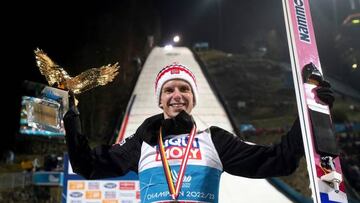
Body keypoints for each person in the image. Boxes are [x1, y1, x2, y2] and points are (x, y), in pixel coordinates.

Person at [64, 63, 335, 202]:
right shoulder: (141, 142)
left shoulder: (213, 139)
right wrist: (71, 115)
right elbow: (86, 165)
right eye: (169, 90)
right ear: (160, 100)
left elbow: (279, 160)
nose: (177, 95)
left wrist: (309, 112)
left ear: (193, 98)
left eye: (184, 89)